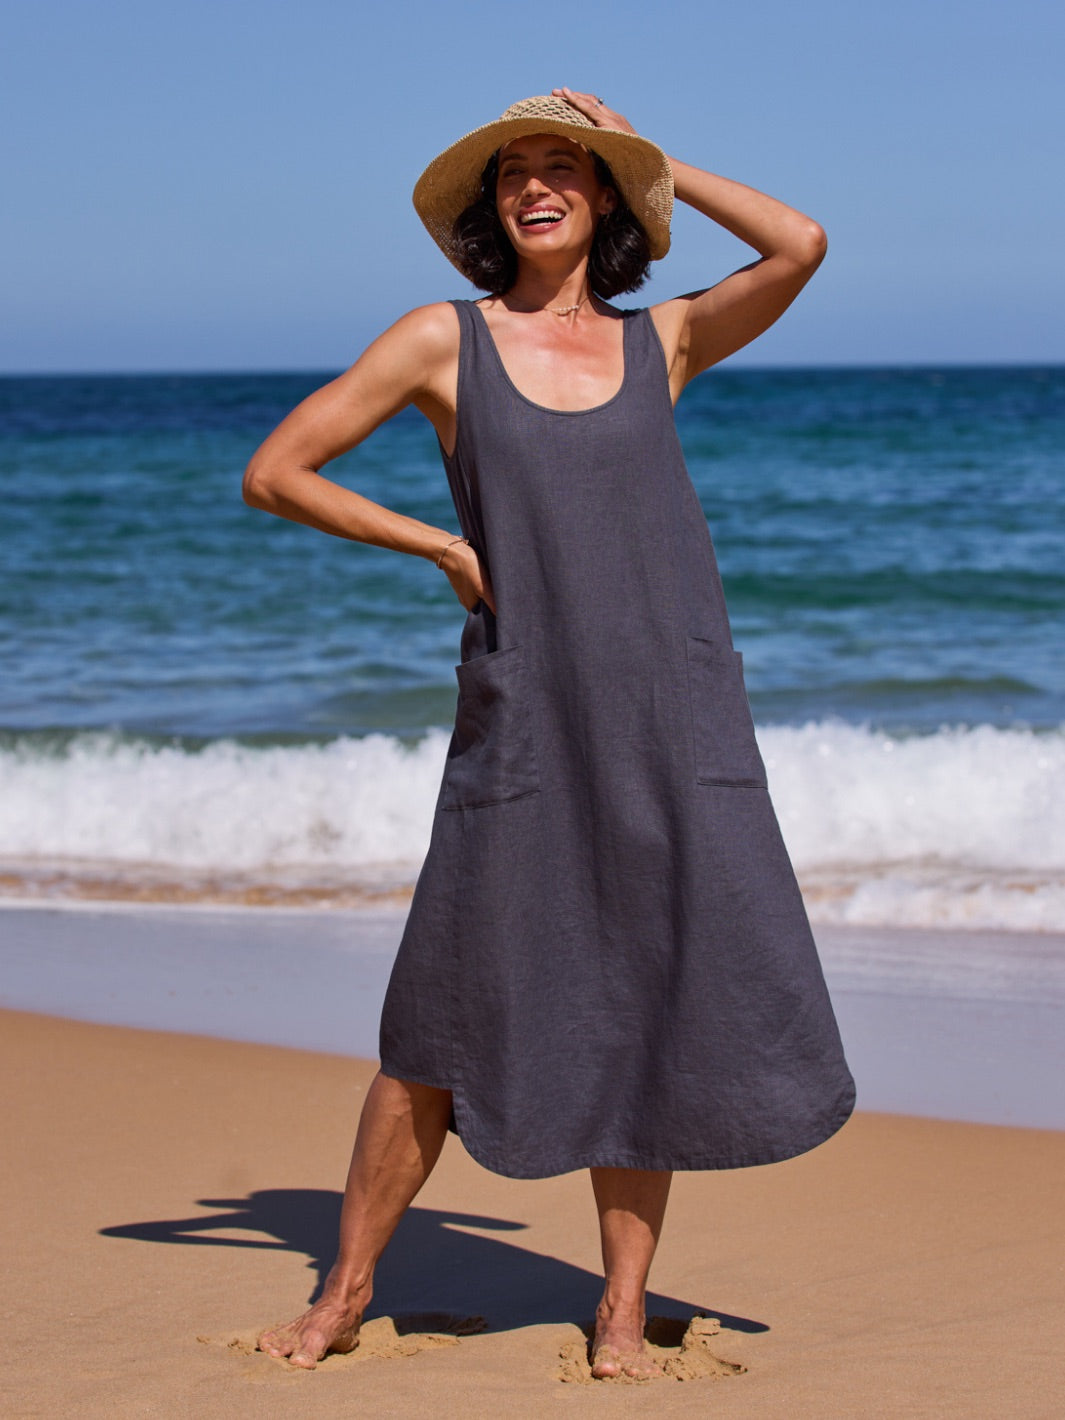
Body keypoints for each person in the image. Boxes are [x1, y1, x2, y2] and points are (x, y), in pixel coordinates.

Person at [246, 88, 854, 1380]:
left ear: (603, 202)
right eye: (515, 171)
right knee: (438, 1012)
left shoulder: (667, 341)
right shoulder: (438, 340)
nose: (535, 186)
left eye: (565, 171)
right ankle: (343, 1291)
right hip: (523, 712)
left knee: (646, 994)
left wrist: (654, 159)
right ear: (489, 207)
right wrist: (440, 545)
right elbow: (278, 471)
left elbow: (797, 243)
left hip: (670, 712)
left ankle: (620, 1311)